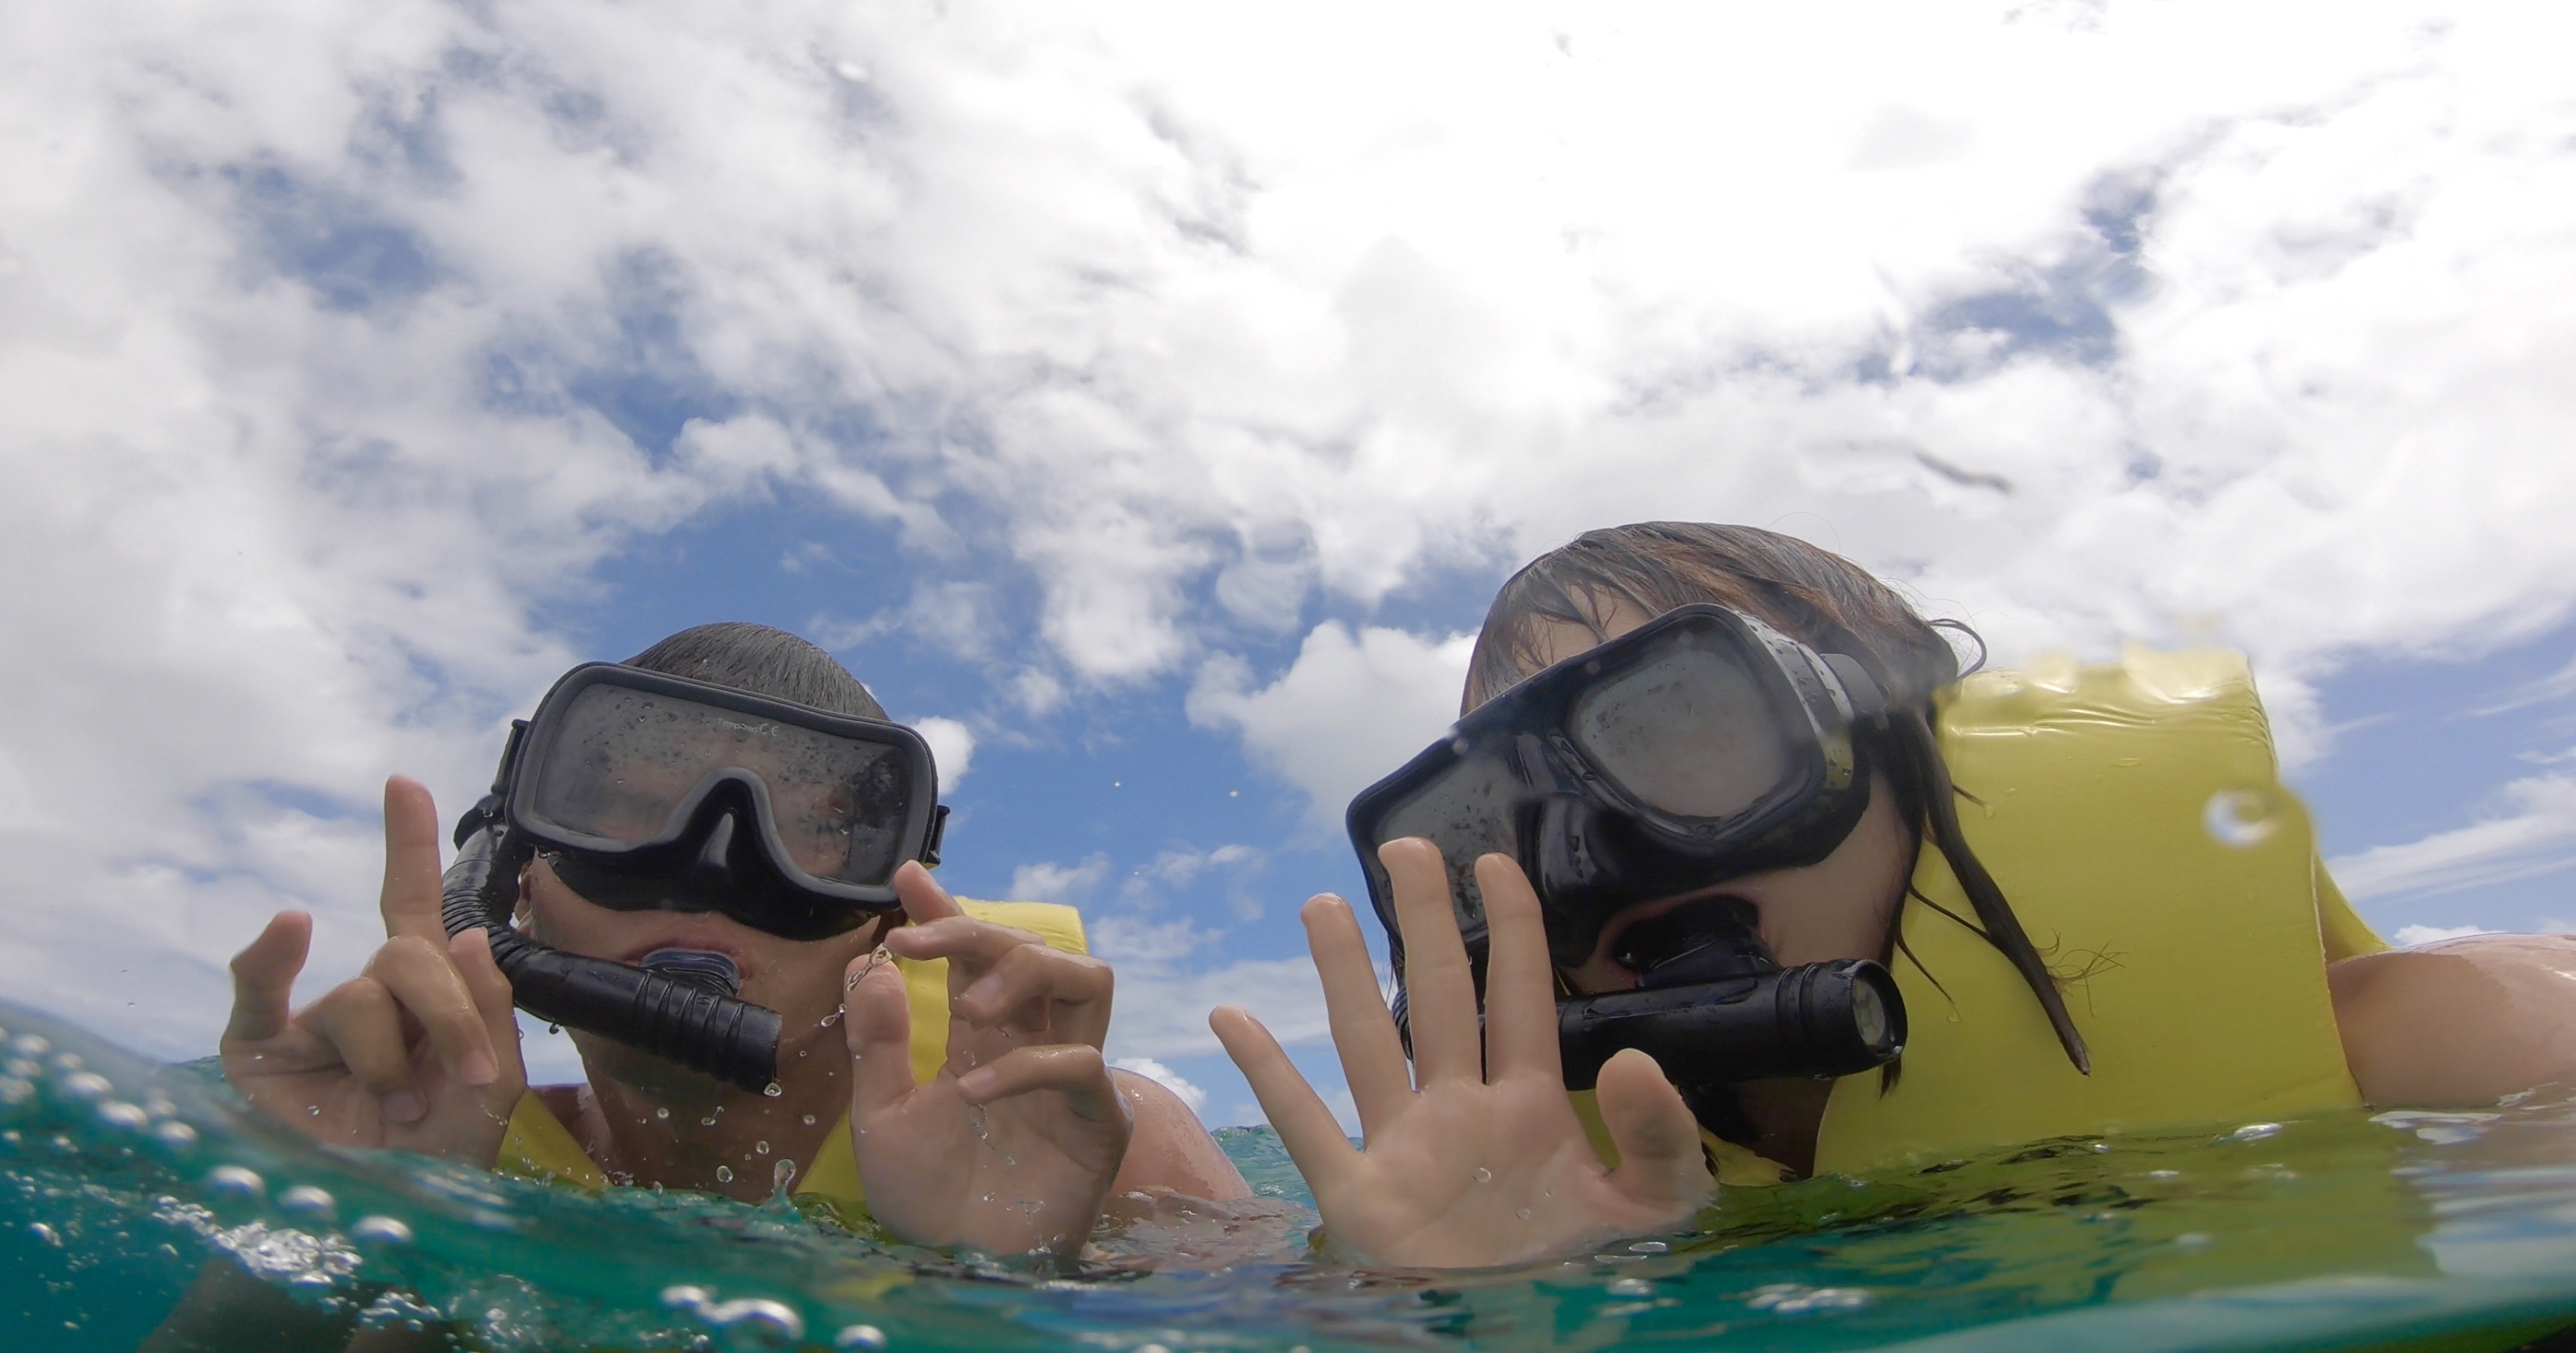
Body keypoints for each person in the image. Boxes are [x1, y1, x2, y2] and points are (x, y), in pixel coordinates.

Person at [1211, 522, 2576, 1268]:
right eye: (1498, 829)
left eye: (1682, 734)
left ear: (1920, 745)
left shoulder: (2413, 1047)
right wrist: (1447, 1313)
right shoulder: (1512, 1198)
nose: (1598, 855)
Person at [215, 622, 1245, 1252]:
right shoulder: (432, 1144)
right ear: (512, 884)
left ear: (885, 920)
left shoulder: (1095, 1145)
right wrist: (360, 1223)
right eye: (622, 810)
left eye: (810, 838)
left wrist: (1005, 1287)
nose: (711, 871)